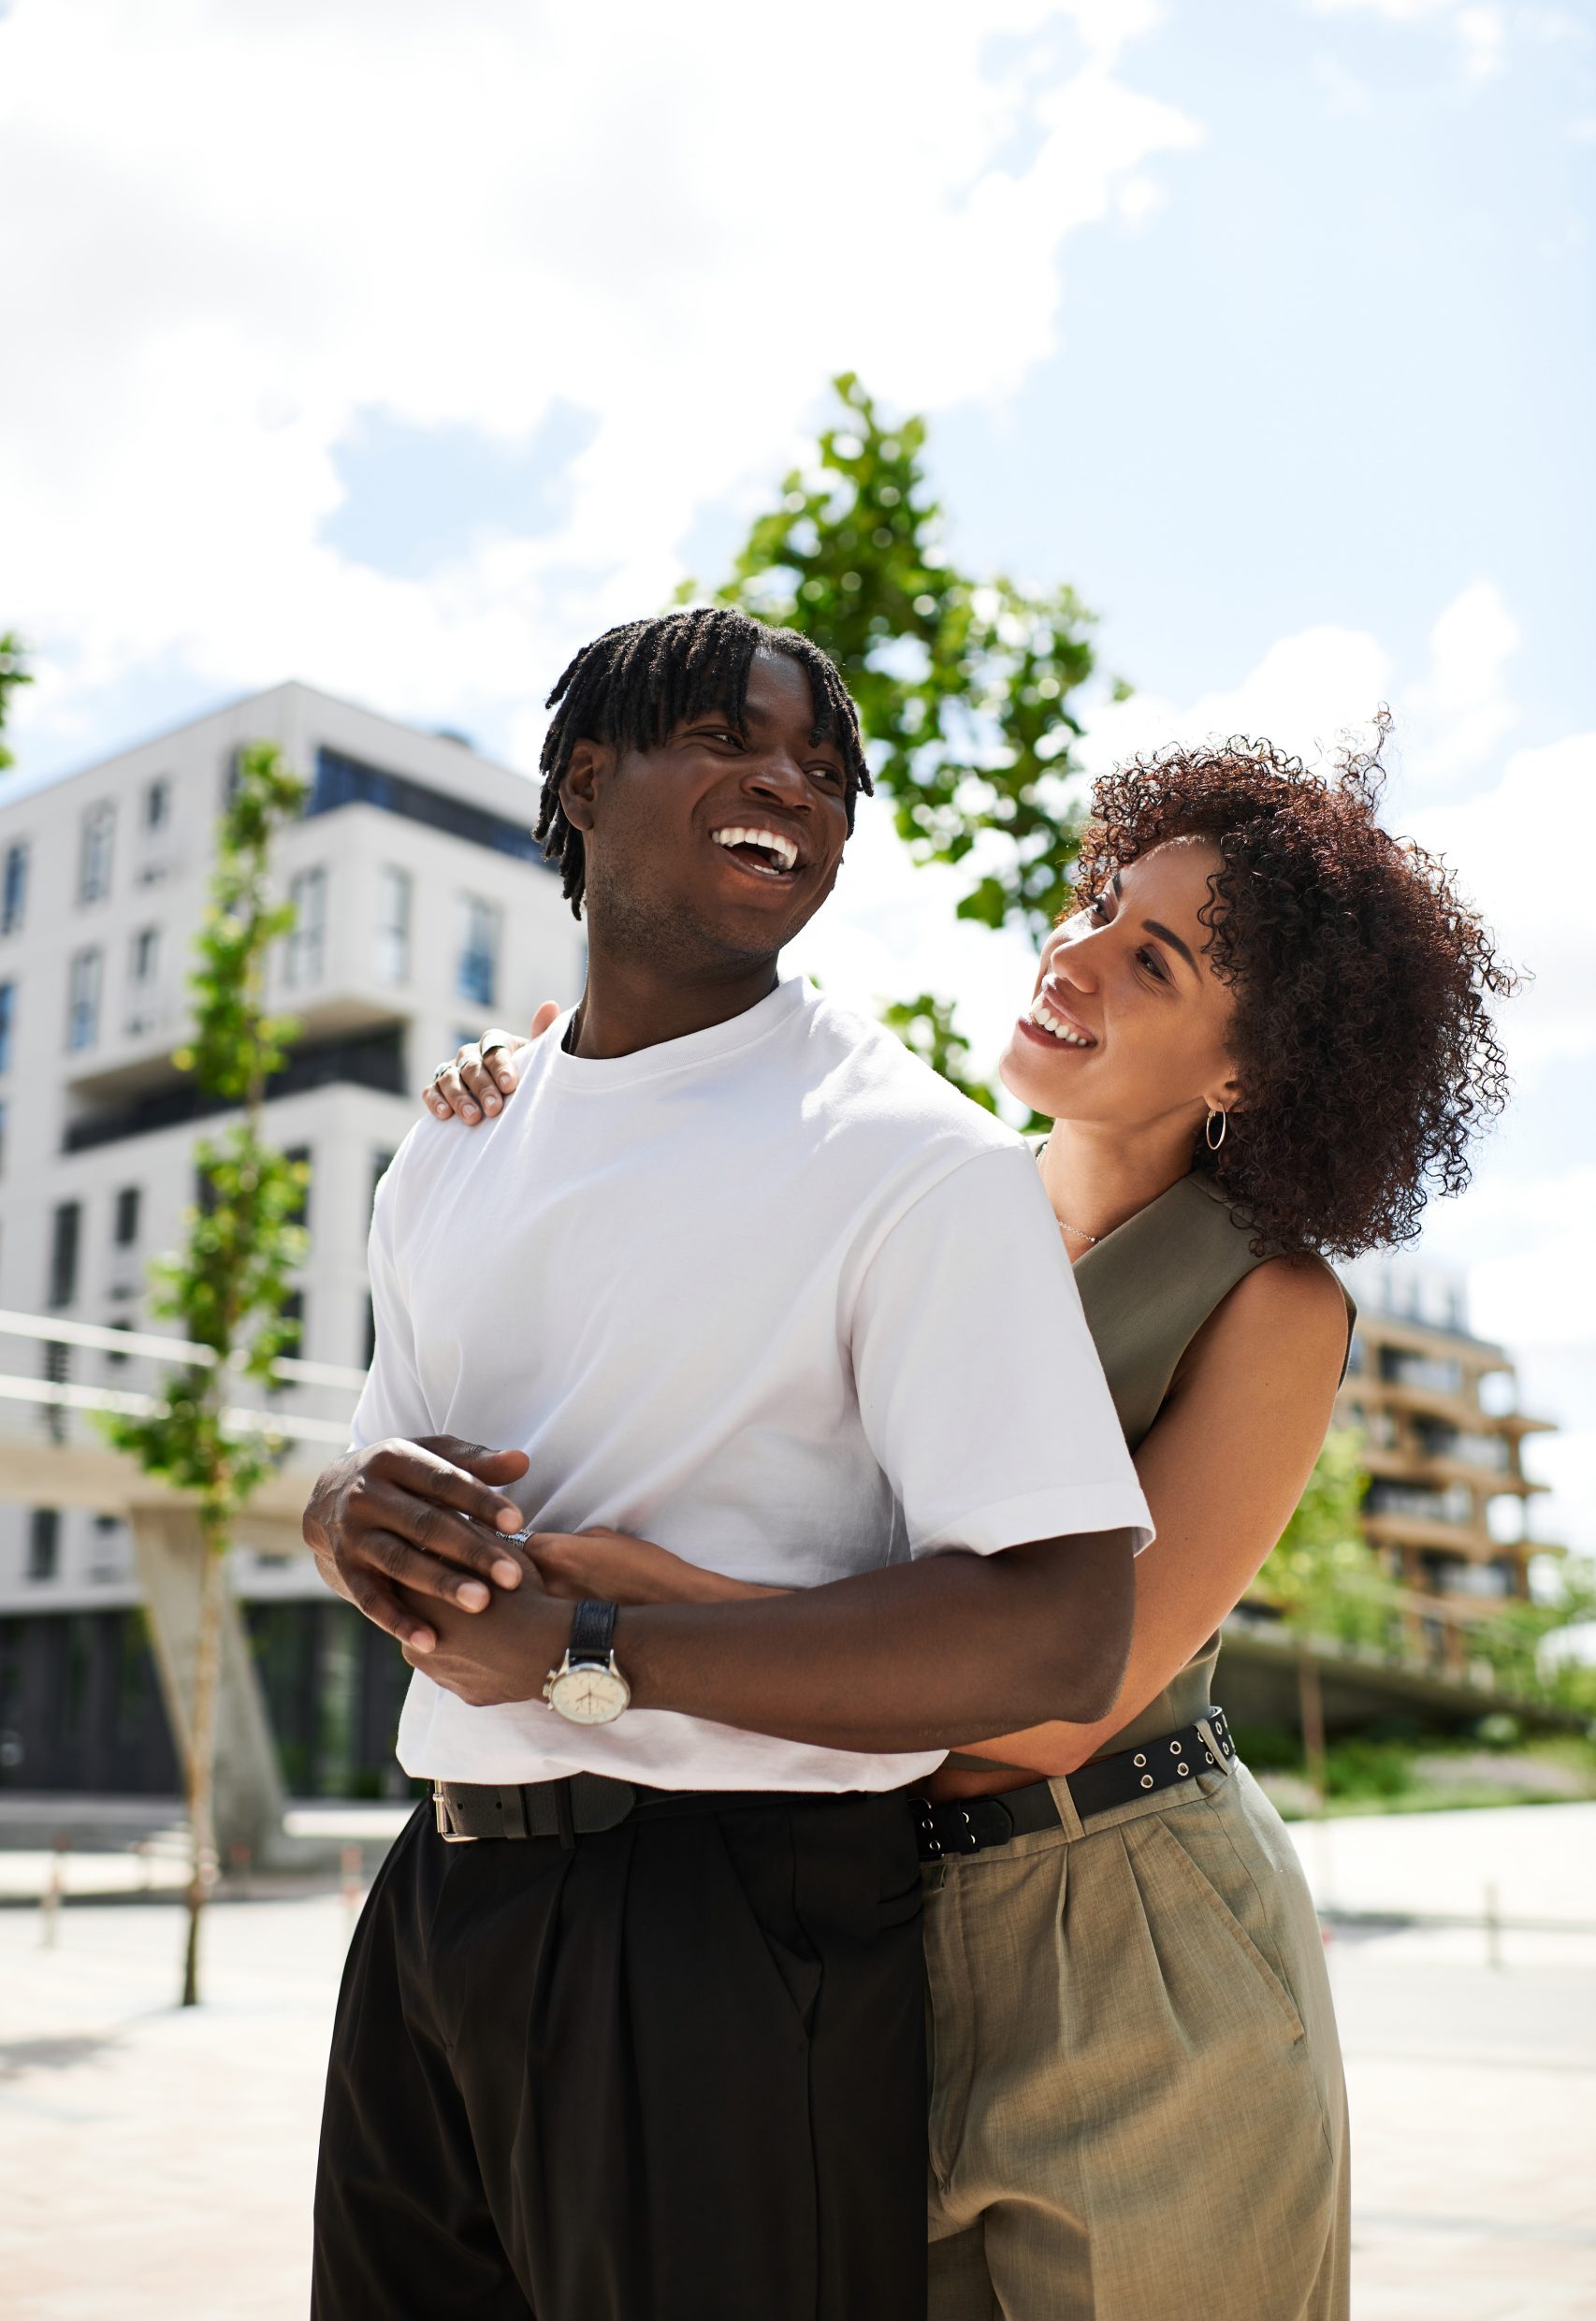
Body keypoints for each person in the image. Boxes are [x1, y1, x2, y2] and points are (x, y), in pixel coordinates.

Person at [422, 728, 1512, 2319]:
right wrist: (533, 1084)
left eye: (1152, 961)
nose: (1073, 956)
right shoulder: (928, 1196)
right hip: (860, 1918)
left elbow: (1067, 1699)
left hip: (1125, 1931)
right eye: (1092, 908)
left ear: (1248, 1072)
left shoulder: (1266, 1299)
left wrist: (636, 1618)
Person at [302, 605, 1152, 2321]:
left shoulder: (913, 1161)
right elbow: (364, 1453)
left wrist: (583, 1656)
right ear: (587, 776)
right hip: (439, 1896)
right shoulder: (446, 1150)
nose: (794, 785)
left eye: (827, 771)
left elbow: (1057, 1633)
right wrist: (342, 1514)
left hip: (729, 1930)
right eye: (732, 741)